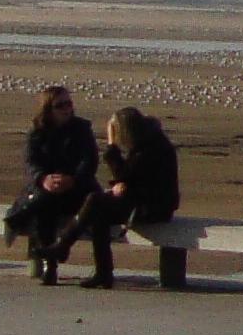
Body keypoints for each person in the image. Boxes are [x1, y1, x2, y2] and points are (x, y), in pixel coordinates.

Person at [71, 105, 181, 288]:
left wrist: (111, 146)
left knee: (95, 201)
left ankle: (66, 245)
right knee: (98, 212)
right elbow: (132, 177)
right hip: (142, 201)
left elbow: (123, 173)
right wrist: (122, 185)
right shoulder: (148, 141)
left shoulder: (150, 148)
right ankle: (102, 273)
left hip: (154, 208)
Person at [2, 87, 98, 284]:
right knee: (45, 204)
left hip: (77, 189)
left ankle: (19, 219)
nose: (66, 109)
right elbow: (31, 163)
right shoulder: (37, 133)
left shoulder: (82, 129)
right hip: (47, 189)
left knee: (50, 202)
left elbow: (89, 161)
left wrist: (72, 180)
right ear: (48, 109)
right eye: (60, 105)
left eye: (68, 103)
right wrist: (44, 179)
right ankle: (50, 264)